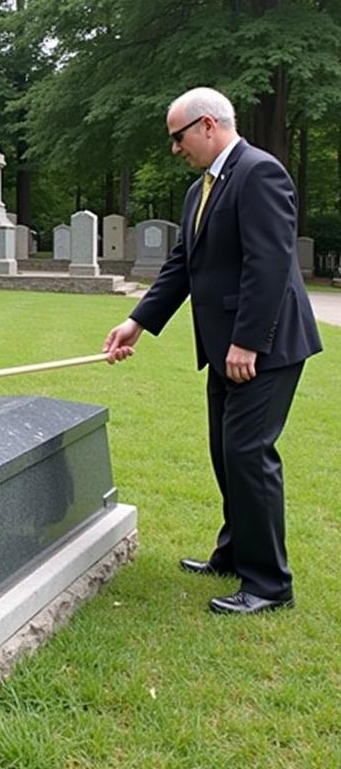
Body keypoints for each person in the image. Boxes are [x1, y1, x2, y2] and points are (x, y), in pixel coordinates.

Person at [103, 88, 321, 615]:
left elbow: (268, 264)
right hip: (225, 348)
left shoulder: (258, 173)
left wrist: (248, 341)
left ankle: (269, 585)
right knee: (227, 454)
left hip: (263, 346)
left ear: (206, 126)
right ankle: (234, 554)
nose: (175, 148)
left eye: (178, 137)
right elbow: (183, 264)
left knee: (249, 455)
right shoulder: (202, 188)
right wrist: (138, 321)